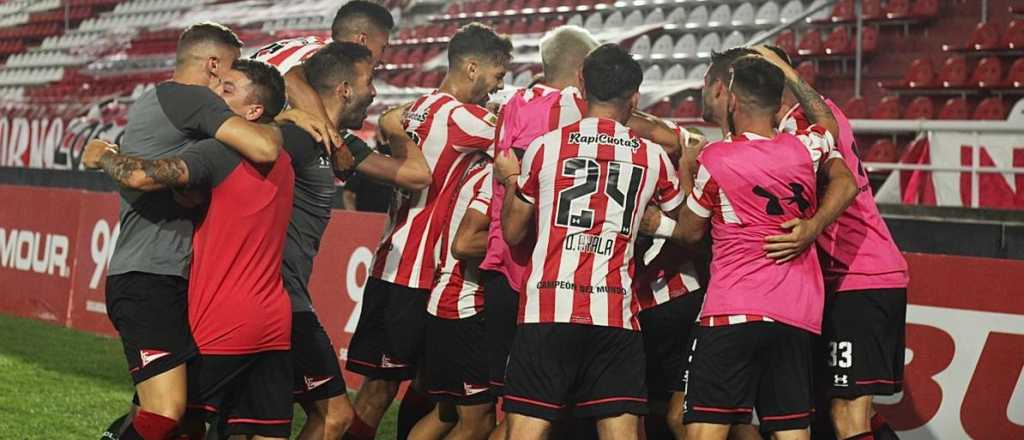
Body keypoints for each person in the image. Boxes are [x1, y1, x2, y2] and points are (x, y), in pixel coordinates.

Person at [97, 22, 323, 440]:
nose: (224, 89)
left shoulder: (189, 120)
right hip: (151, 278)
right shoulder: (191, 102)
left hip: (186, 284)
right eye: (231, 74)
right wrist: (105, 157)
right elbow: (265, 146)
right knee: (166, 413)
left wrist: (278, 114)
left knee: (178, 418)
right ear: (214, 66)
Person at [644, 48, 858, 439]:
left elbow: (691, 232)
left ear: (734, 100)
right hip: (795, 313)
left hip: (733, 311)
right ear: (779, 104)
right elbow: (827, 122)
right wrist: (811, 226)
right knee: (791, 431)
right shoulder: (805, 148)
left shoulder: (716, 158)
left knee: (702, 430)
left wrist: (657, 222)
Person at [493, 43, 684, 440]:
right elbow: (685, 224)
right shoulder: (653, 158)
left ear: (580, 85)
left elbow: (512, 233)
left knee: (524, 432)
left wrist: (510, 179)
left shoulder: (545, 149)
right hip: (614, 311)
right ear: (634, 97)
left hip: (547, 309)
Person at [345, 22, 511, 440]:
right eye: (497, 76)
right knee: (381, 390)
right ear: (472, 68)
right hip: (412, 275)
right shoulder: (463, 119)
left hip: (395, 261)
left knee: (423, 385)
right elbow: (527, 145)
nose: (496, 88)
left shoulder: (411, 110)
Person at [766, 46, 907, 440]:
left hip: (862, 276)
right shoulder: (800, 124)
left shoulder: (812, 121)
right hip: (848, 278)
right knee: (849, 408)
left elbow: (840, 186)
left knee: (847, 413)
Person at [409, 157, 495, 440]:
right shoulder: (494, 178)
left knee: (446, 414)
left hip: (448, 302)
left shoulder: (480, 169)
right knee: (477, 423)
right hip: (465, 307)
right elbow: (465, 243)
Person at [251, 0, 395, 150]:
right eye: (383, 48)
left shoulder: (307, 45)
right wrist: (335, 143)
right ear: (362, 41)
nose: (383, 59)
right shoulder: (324, 60)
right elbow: (290, 81)